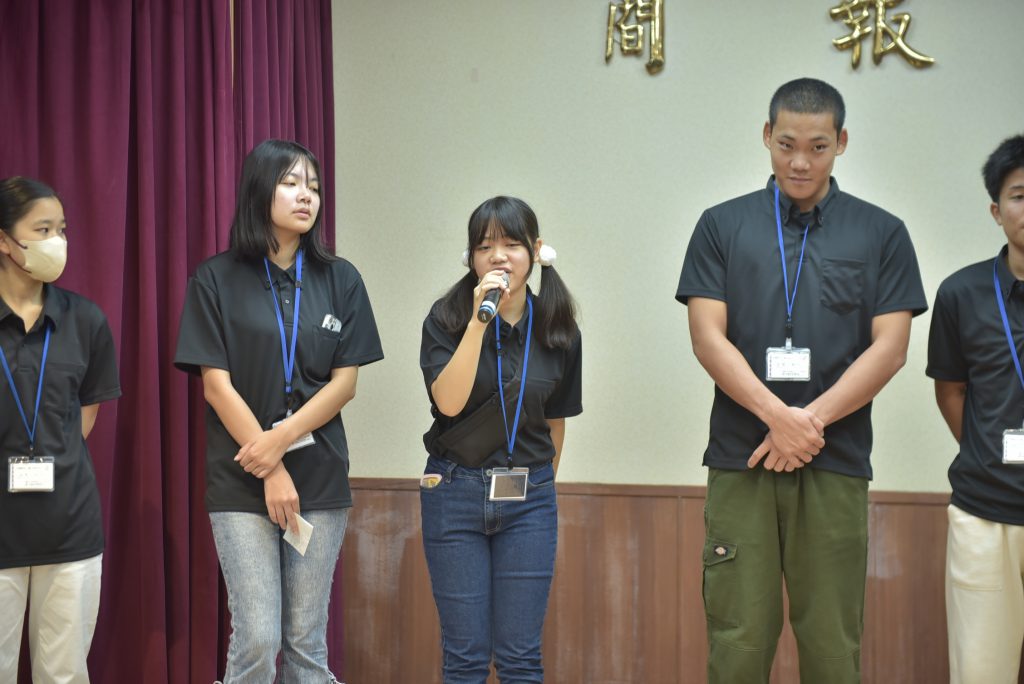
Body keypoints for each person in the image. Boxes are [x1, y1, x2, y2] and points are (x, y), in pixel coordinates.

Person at [676, 78, 927, 683]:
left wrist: (807, 425)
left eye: (818, 147)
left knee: (833, 643)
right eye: (787, 144)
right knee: (738, 639)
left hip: (835, 459)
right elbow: (708, 338)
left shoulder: (882, 232)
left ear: (842, 142)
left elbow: (891, 348)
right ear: (767, 136)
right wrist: (777, 418)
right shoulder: (721, 225)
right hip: (743, 458)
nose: (800, 162)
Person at [174, 139, 383, 683]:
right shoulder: (215, 278)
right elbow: (216, 386)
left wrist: (281, 440)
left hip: (320, 475)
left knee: (306, 643)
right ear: (259, 190)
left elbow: (345, 384)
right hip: (242, 474)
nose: (305, 195)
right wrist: (271, 466)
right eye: (291, 183)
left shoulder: (341, 279)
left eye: (312, 186)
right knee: (258, 638)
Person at [419, 196, 581, 683]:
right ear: (470, 257)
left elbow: (556, 422)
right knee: (465, 659)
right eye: (484, 246)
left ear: (535, 250)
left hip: (530, 501)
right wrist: (478, 322)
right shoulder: (446, 319)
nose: (498, 256)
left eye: (511, 244)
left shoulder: (558, 329)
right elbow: (448, 403)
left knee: (520, 659)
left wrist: (539, 486)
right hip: (454, 492)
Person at [0, 177, 121, 683]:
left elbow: (84, 418)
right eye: (43, 229)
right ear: (4, 240)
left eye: (63, 229)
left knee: (65, 673)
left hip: (69, 526)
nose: (58, 242)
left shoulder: (85, 320)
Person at [927, 134, 1024, 684]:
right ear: (996, 210)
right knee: (982, 670)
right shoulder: (960, 294)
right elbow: (951, 391)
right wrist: (985, 451)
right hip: (985, 510)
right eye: (1020, 195)